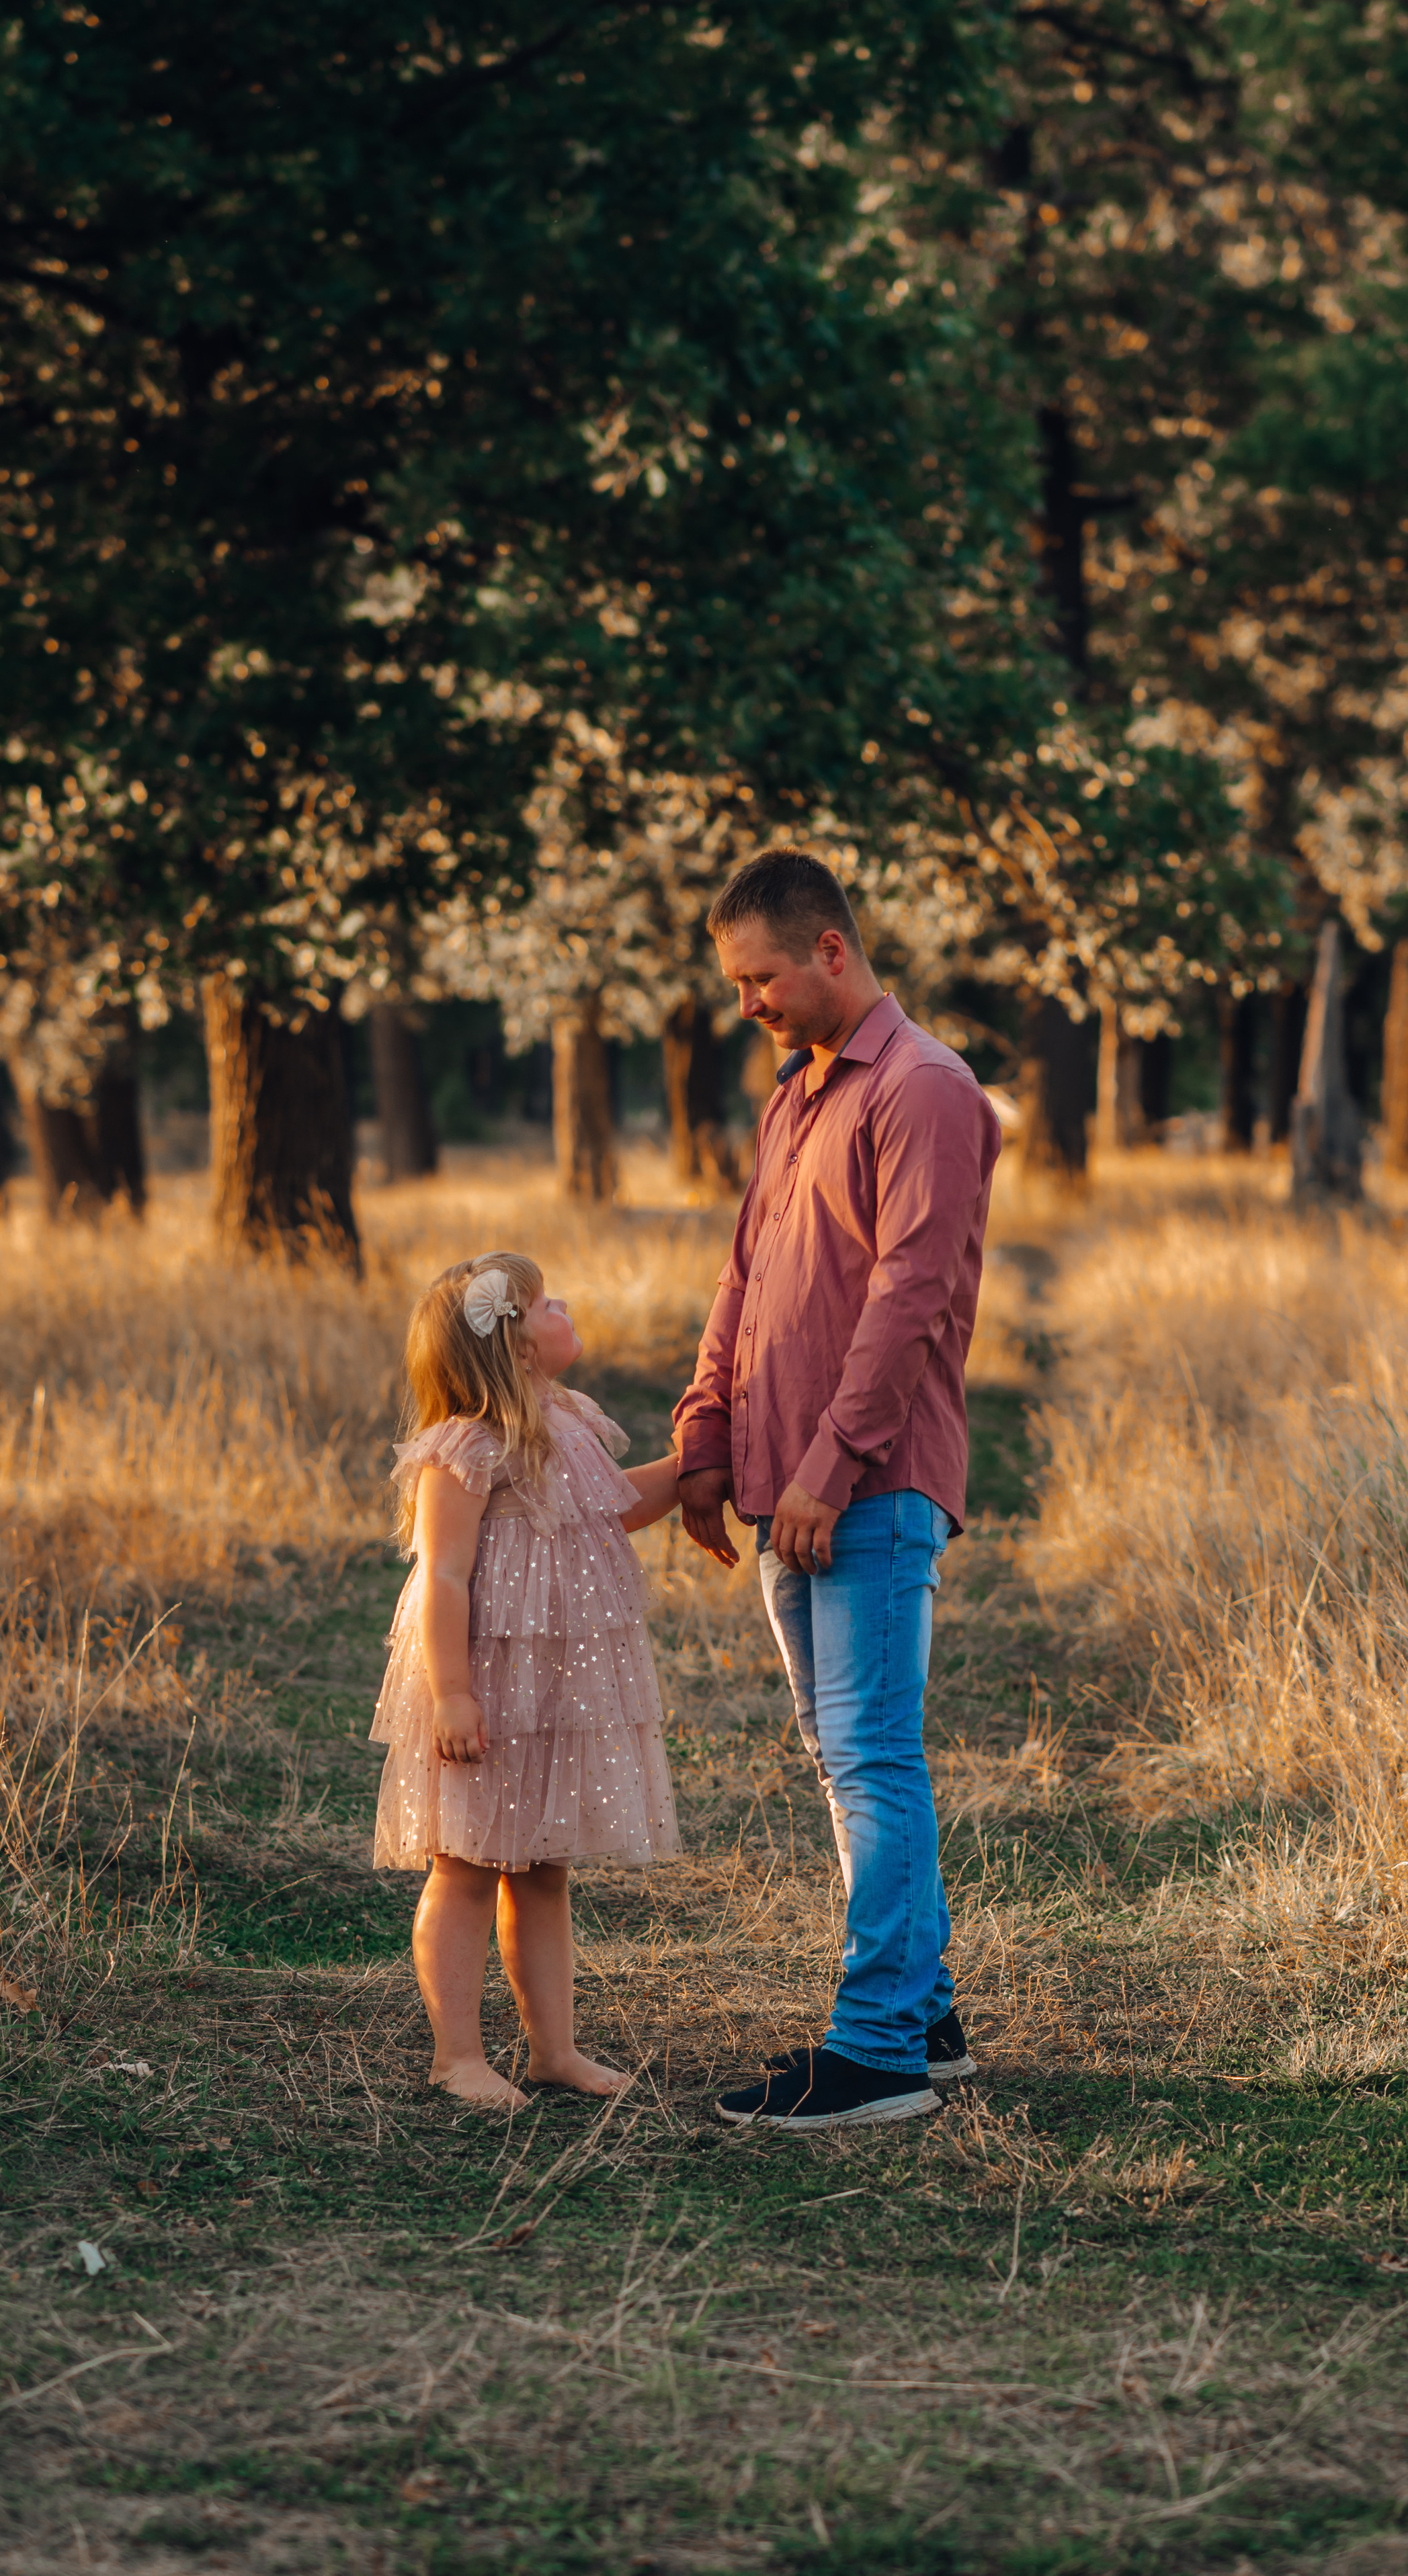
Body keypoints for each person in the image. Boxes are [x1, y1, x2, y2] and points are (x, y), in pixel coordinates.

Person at [674, 851, 1001, 2132]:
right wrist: (709, 1432)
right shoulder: (793, 1098)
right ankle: (926, 2010)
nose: (744, 1000)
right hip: (781, 1487)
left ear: (829, 951)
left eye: (759, 976)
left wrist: (823, 1466)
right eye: (732, 982)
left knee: (872, 1757)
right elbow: (744, 1277)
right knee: (841, 1759)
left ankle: (874, 2055)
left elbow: (911, 1295)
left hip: (865, 1484)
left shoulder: (923, 1087)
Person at [373, 1252, 683, 2110]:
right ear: (513, 1345)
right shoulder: (465, 1448)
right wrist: (452, 1693)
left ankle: (554, 2050)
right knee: (466, 1866)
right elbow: (441, 1576)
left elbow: (618, 1506)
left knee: (544, 1869)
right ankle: (458, 2056)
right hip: (481, 1683)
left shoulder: (572, 1420)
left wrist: (698, 1469)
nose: (567, 1304)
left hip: (555, 1683)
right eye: (546, 1301)